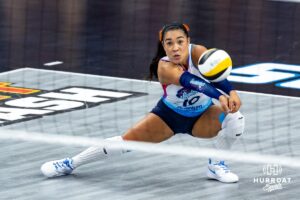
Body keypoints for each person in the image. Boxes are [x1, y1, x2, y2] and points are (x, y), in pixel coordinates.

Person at [41, 22, 245, 183]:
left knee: (235, 118)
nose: (175, 48)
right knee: (123, 143)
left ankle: (216, 165)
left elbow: (215, 71)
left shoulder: (198, 52)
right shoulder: (164, 67)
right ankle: (70, 163)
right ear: (163, 45)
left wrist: (231, 92)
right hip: (168, 118)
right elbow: (192, 82)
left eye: (180, 41)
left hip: (202, 117)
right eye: (169, 43)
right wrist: (220, 96)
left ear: (188, 41)